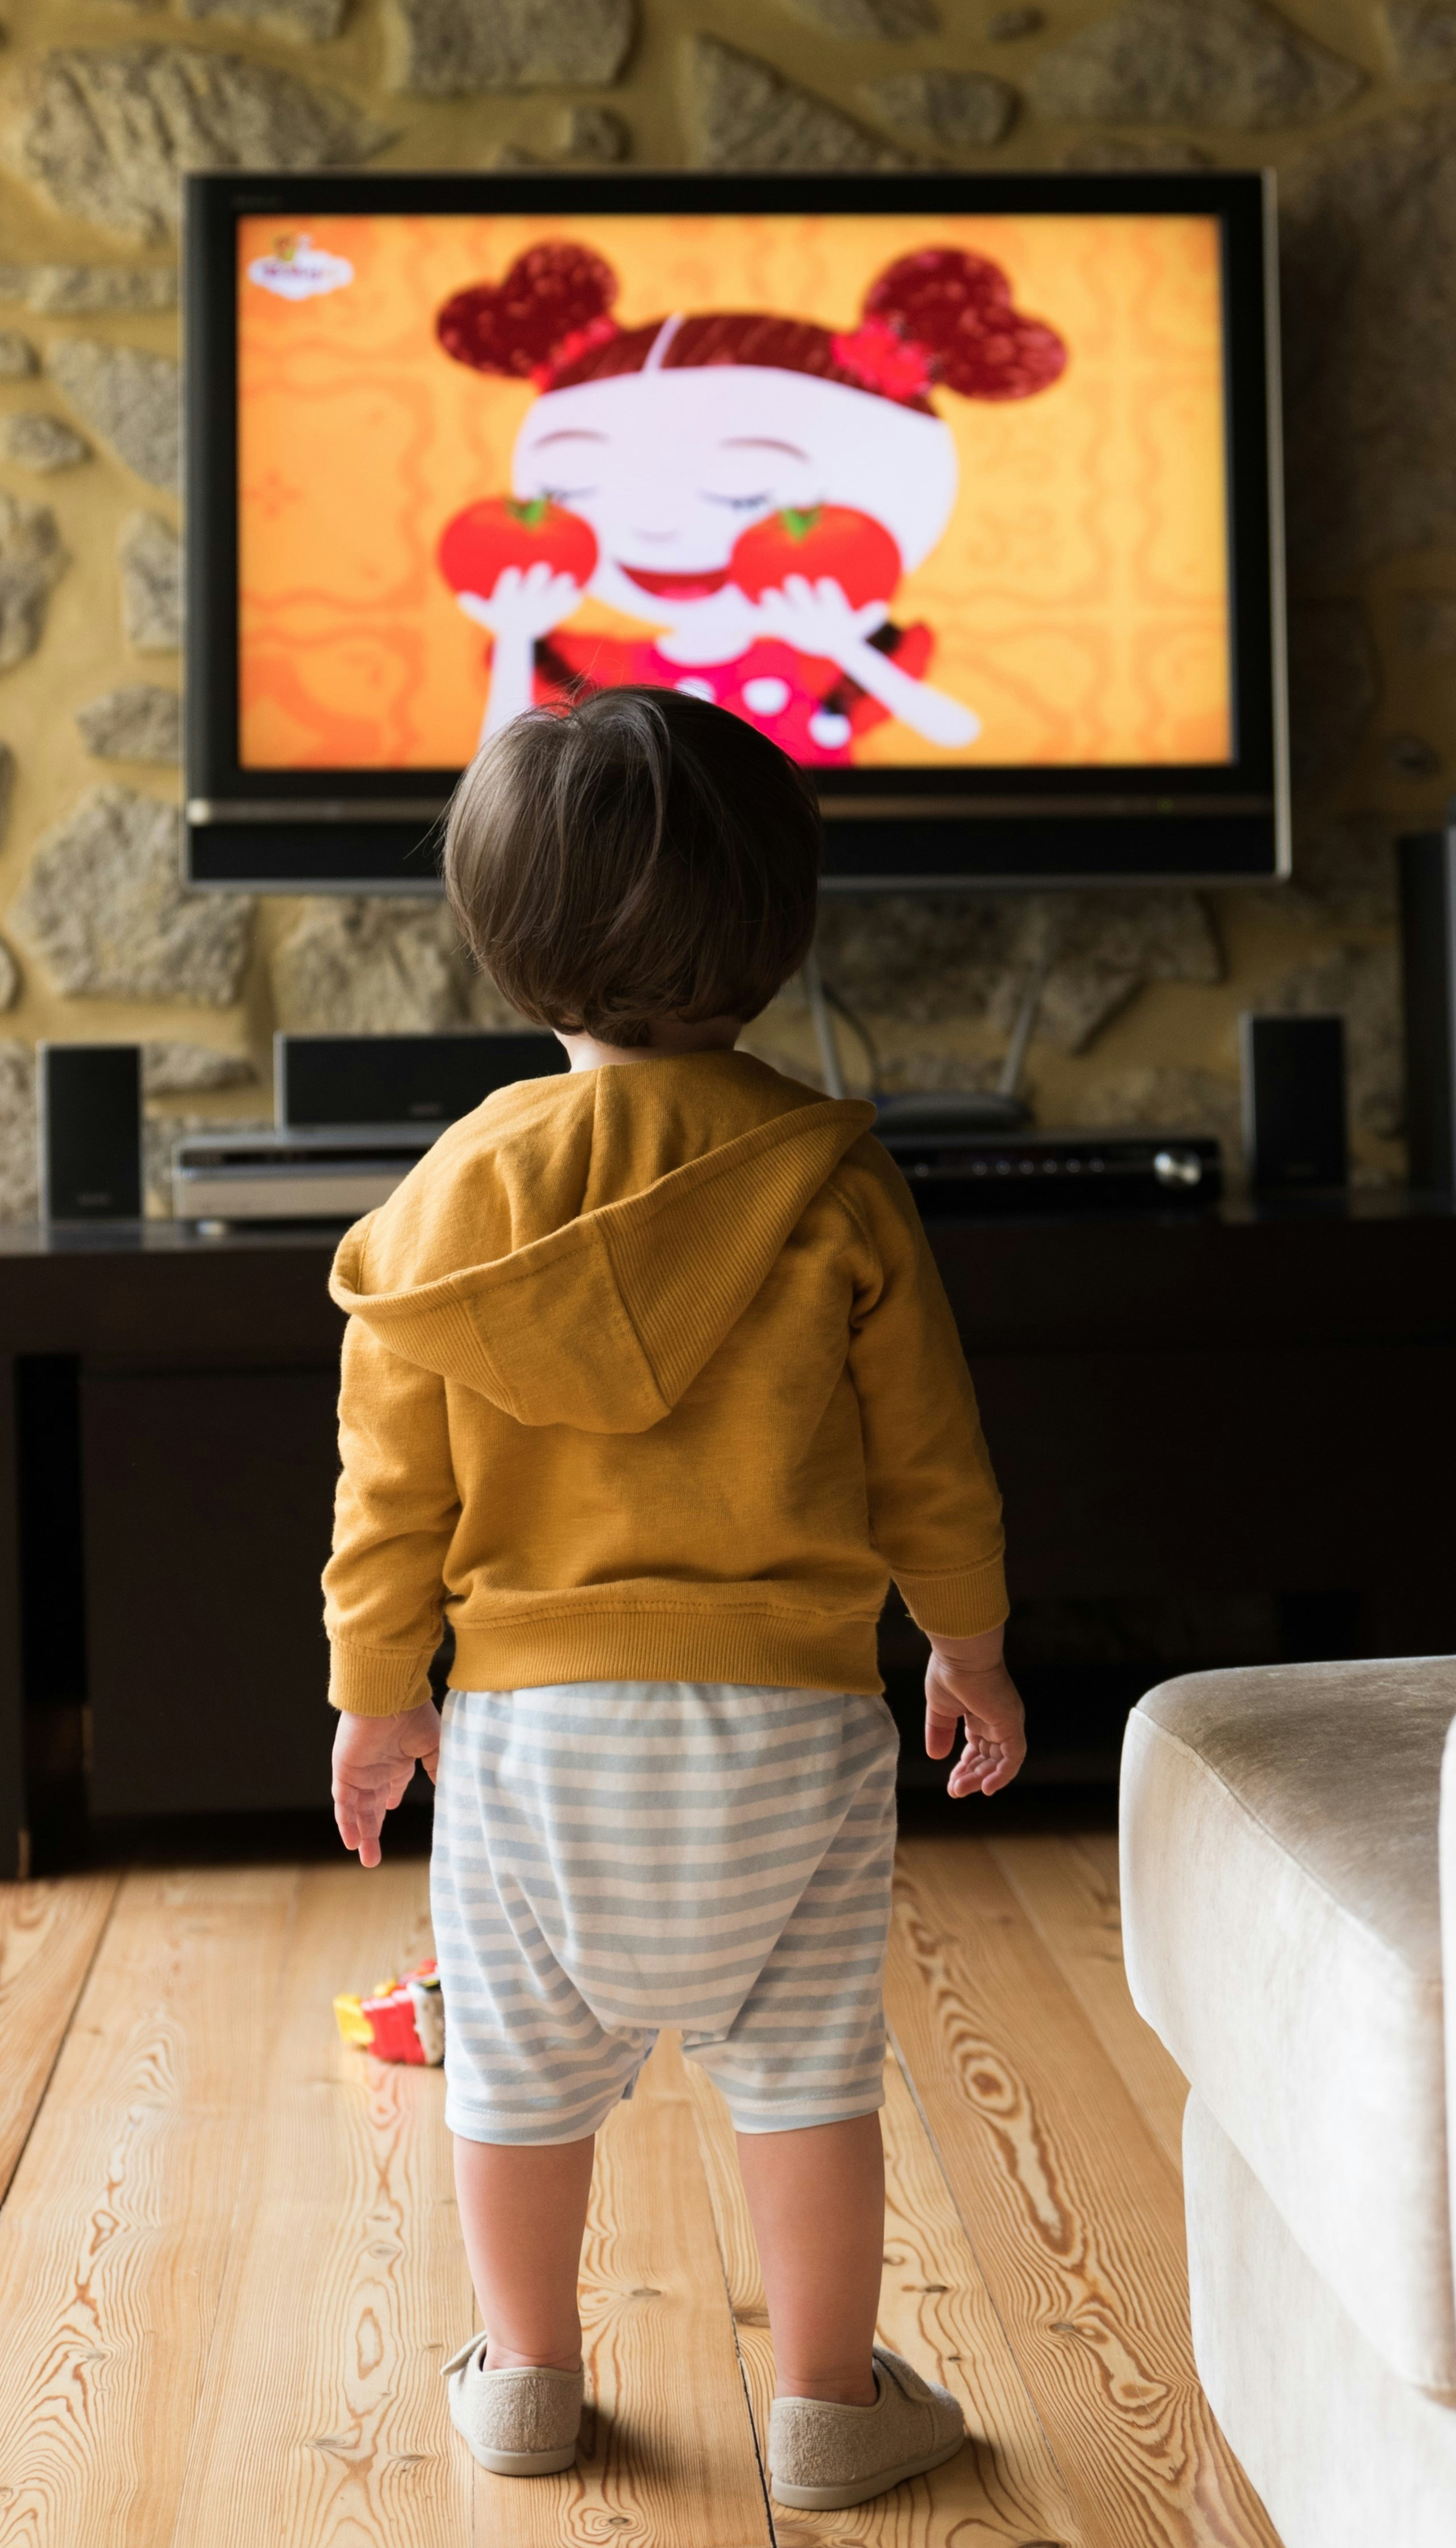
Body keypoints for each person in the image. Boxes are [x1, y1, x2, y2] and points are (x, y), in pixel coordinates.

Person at [324, 686, 1023, 2511]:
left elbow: (386, 1498)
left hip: (533, 1746)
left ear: (499, 939)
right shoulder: (831, 1178)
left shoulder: (449, 1195)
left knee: (516, 2073)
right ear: (776, 926)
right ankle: (820, 2403)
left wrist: (377, 1692)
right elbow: (928, 1457)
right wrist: (968, 1645)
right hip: (785, 1726)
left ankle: (525, 2380)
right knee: (805, 2076)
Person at [435, 240, 1067, 760]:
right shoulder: (594, 670)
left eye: (744, 494)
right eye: (575, 488)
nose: (658, 527)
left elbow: (955, 731)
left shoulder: (830, 669)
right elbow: (503, 769)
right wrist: (516, 635)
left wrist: (845, 643)